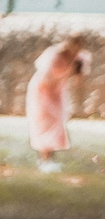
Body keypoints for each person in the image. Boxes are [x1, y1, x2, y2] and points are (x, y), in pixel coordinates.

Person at [28, 36, 89, 172]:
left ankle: (50, 159)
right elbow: (46, 80)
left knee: (58, 122)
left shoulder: (79, 59)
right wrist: (68, 72)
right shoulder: (54, 56)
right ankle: (44, 159)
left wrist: (76, 73)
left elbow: (78, 81)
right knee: (44, 123)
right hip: (42, 91)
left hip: (57, 91)